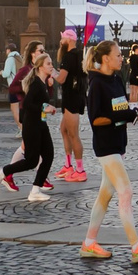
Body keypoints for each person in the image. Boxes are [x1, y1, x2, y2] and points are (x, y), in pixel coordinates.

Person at [78, 41, 138, 263]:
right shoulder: (96, 85)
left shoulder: (116, 79)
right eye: (118, 55)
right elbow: (96, 119)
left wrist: (132, 112)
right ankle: (136, 246)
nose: (122, 58)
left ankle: (89, 243)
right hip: (106, 147)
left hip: (118, 144)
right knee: (126, 191)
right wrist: (123, 116)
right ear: (105, 59)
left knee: (105, 195)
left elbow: (120, 108)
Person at [0, 43, 58, 202]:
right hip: (32, 125)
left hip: (40, 124)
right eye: (48, 64)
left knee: (48, 155)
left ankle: (36, 190)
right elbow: (29, 104)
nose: (52, 66)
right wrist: (46, 107)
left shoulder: (42, 83)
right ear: (41, 67)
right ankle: (2, 172)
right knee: (32, 160)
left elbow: (41, 100)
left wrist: (48, 95)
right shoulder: (36, 83)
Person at [56, 32, 88, 182]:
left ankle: (80, 170)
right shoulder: (80, 54)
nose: (61, 41)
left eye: (62, 38)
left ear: (68, 40)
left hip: (71, 98)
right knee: (64, 129)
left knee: (74, 134)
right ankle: (68, 165)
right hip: (77, 96)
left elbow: (61, 78)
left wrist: (50, 73)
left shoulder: (68, 56)